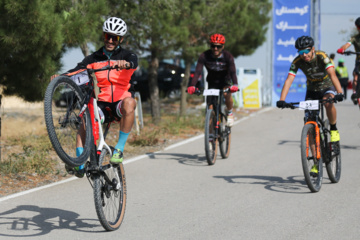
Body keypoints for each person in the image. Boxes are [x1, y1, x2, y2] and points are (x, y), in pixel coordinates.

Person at [51, 17, 138, 178]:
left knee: (130, 102)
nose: (110, 40)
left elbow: (134, 62)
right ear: (104, 36)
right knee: (84, 119)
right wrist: (60, 77)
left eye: (115, 37)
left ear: (121, 39)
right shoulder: (94, 58)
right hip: (102, 105)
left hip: (120, 104)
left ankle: (119, 149)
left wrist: (125, 64)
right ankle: (80, 162)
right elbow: (77, 71)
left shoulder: (127, 55)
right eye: (108, 36)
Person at [276, 36, 344, 174]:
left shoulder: (322, 56)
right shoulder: (297, 61)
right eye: (300, 53)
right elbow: (289, 80)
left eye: (306, 51)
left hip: (327, 87)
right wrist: (282, 99)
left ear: (312, 49)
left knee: (328, 102)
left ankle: (333, 128)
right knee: (309, 123)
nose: (304, 55)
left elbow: (333, 75)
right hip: (312, 91)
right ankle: (316, 162)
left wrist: (340, 92)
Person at [187, 33, 238, 127]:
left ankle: (230, 113)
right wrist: (192, 85)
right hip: (212, 81)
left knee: (227, 93)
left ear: (222, 47)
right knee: (210, 107)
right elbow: (198, 72)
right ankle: (210, 136)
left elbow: (233, 72)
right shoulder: (204, 56)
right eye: (213, 46)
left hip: (225, 80)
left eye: (218, 46)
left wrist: (235, 84)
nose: (215, 49)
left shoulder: (228, 56)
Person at [337, 17, 360, 104]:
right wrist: (342, 49)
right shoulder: (354, 38)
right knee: (355, 75)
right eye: (358, 27)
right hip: (359, 61)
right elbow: (347, 45)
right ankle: (354, 94)